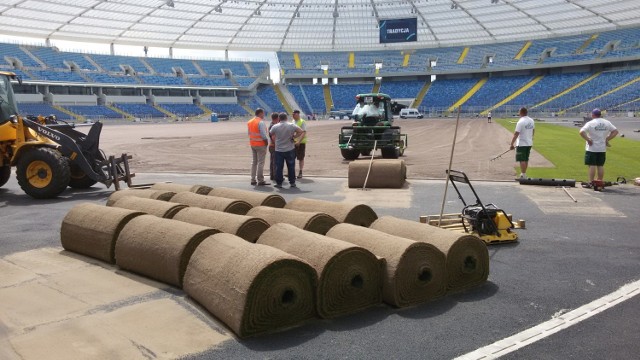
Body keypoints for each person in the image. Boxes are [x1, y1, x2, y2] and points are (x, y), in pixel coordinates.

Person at [579, 108, 618, 185]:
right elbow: (615, 131)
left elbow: (581, 132)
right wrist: (607, 139)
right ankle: (599, 181)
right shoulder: (607, 122)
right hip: (602, 147)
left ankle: (591, 181)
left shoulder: (591, 123)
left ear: (593, 115)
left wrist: (588, 139)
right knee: (600, 165)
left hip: (592, 147)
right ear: (600, 115)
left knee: (592, 165)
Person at [269, 112, 305, 188]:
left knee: (279, 167)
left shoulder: (275, 126)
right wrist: (294, 136)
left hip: (279, 149)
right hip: (289, 148)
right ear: (286, 118)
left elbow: (271, 133)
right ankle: (292, 182)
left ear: (279, 118)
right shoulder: (291, 125)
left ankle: (279, 183)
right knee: (291, 166)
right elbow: (301, 131)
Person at [247, 108, 270, 186]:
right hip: (260, 144)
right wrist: (266, 142)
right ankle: (260, 180)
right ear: (260, 113)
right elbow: (263, 135)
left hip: (253, 144)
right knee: (261, 162)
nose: (263, 115)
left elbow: (249, 133)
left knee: (254, 162)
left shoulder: (250, 122)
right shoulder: (260, 122)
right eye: (263, 113)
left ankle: (253, 179)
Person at [509, 107, 535, 179]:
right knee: (526, 159)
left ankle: (523, 175)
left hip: (522, 143)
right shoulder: (531, 120)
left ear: (521, 112)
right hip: (529, 143)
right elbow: (533, 130)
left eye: (519, 112)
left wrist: (512, 144)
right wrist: (531, 138)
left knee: (522, 159)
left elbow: (516, 133)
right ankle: (524, 174)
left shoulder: (520, 122)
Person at [292, 109, 307, 179]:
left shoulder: (302, 122)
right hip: (293, 142)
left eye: (294, 114)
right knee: (291, 157)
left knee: (301, 158)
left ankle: (300, 172)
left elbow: (304, 132)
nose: (292, 115)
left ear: (297, 114)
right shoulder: (292, 121)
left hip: (301, 143)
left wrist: (299, 141)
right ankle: (291, 172)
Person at [268, 112, 280, 180]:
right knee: (275, 161)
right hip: (274, 146)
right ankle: (275, 176)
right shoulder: (273, 126)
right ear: (277, 118)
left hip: (272, 145)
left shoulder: (271, 125)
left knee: (272, 161)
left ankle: (272, 175)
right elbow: (273, 137)